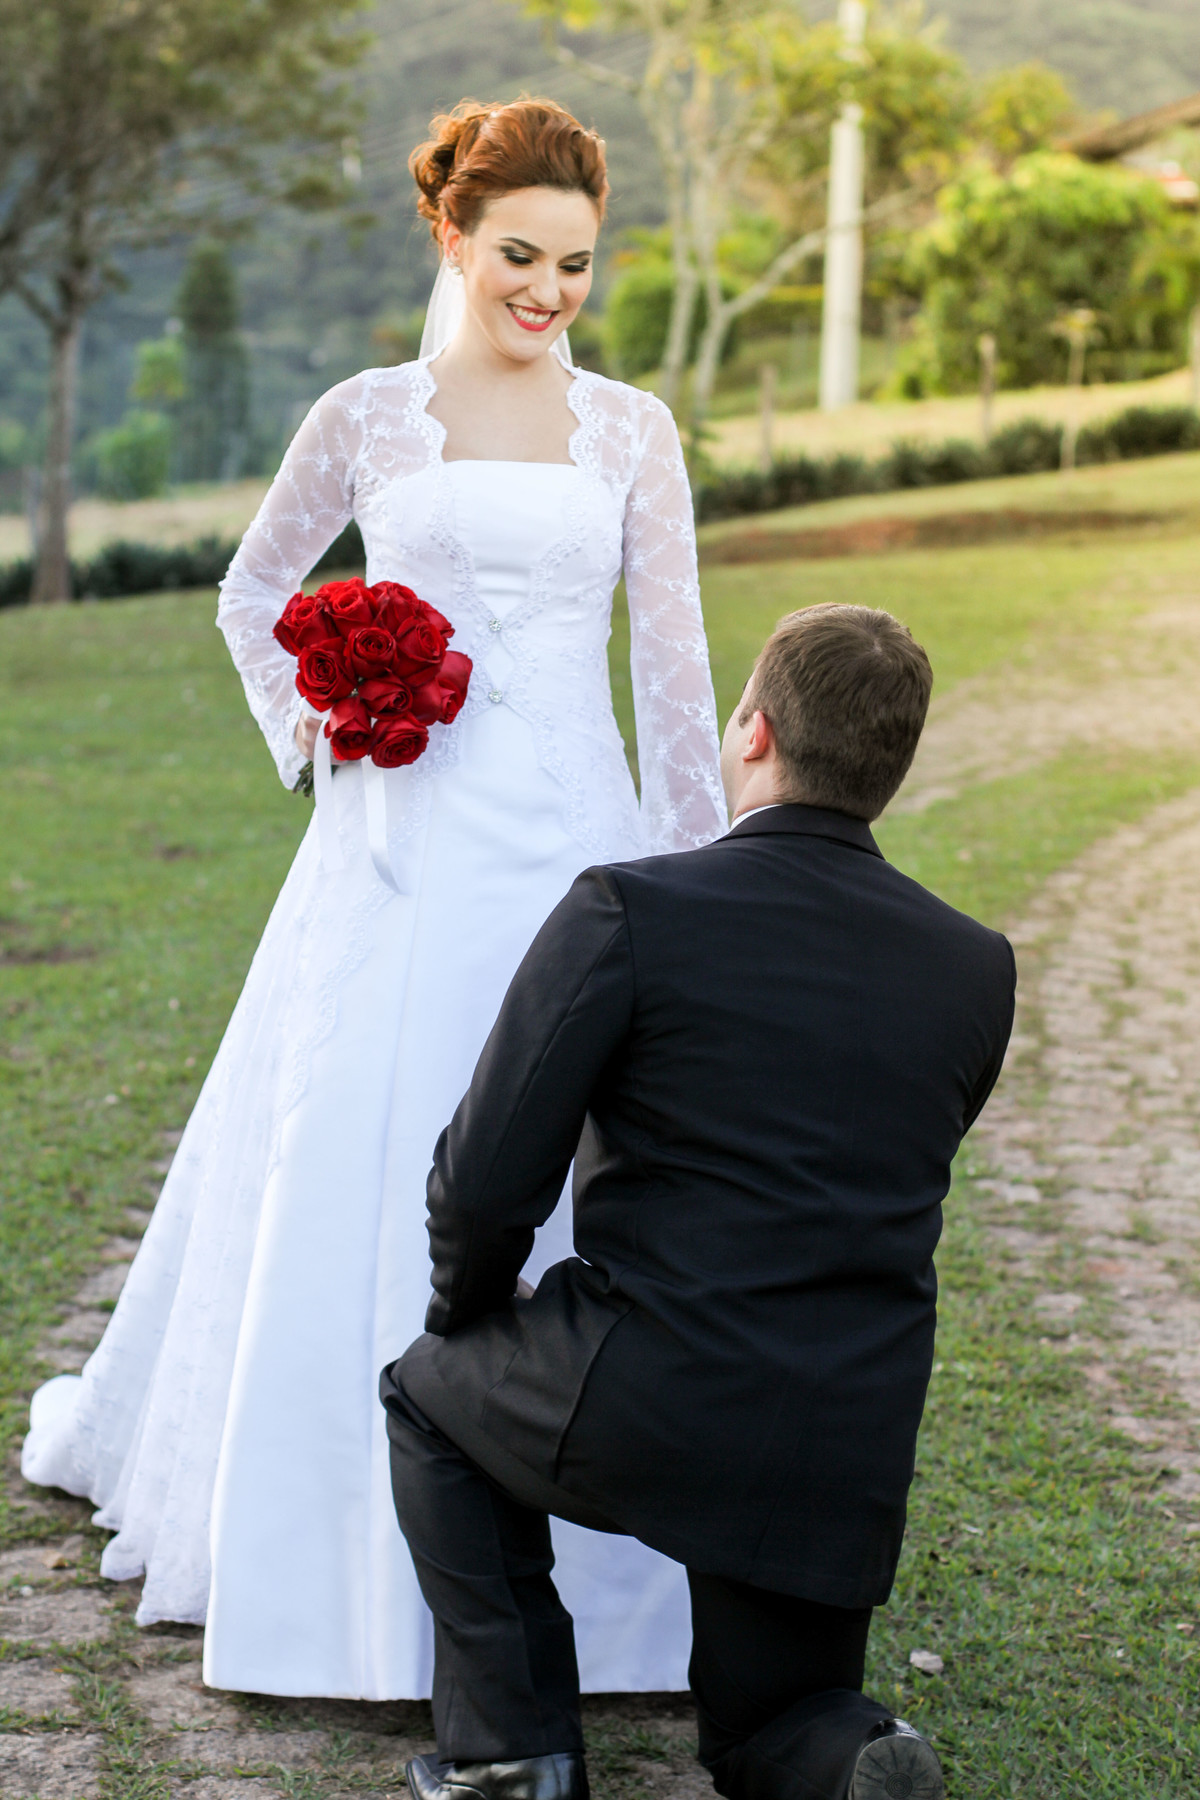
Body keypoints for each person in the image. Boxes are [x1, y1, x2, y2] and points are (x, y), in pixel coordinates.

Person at [21, 97, 726, 1700]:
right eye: (520, 254)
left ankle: (595, 1578)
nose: (548, 290)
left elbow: (677, 678)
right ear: (452, 235)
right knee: (365, 1147)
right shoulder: (366, 416)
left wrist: (693, 890)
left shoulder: (633, 432)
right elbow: (254, 590)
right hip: (399, 842)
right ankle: (331, 1566)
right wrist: (326, 722)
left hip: (577, 846)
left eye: (577, 264)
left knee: (573, 1163)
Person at [380, 604, 1017, 1800]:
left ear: (754, 731)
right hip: (844, 1432)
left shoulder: (630, 909)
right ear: (890, 768)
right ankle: (854, 1756)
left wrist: (469, 1315)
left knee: (427, 1394)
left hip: (647, 1390)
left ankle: (515, 1755)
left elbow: (484, 1180)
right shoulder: (975, 965)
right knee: (775, 1727)